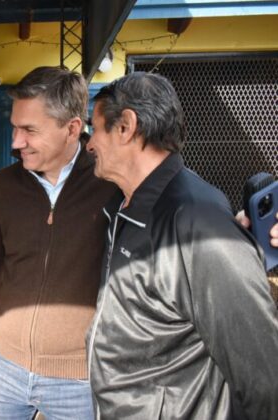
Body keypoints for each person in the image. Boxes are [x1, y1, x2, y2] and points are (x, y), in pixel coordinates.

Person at [85, 72, 278, 419]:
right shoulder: (124, 207)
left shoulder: (197, 222)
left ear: (126, 126)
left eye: (94, 128)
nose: (89, 144)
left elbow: (264, 376)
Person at [0, 67, 117, 419]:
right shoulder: (4, 184)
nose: (16, 142)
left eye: (29, 130)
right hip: (3, 366)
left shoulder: (112, 184)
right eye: (14, 127)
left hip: (79, 377)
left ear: (72, 128)